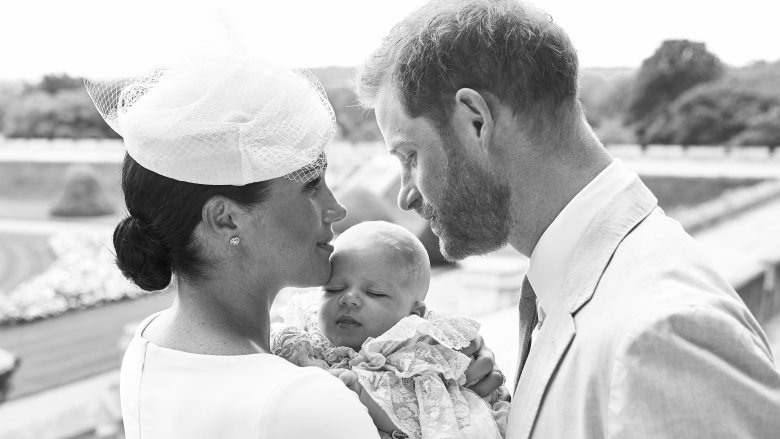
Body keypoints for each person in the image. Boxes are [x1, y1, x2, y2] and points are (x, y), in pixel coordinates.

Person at [356, 1, 780, 438]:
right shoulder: (586, 285)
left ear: (475, 121)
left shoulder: (661, 334)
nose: (405, 195)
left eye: (410, 156)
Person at [85, 56, 500, 439]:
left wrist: (430, 374)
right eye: (311, 186)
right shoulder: (304, 400)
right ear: (226, 218)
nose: (336, 209)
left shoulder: (151, 342)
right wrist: (452, 415)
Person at [272, 221, 509, 438]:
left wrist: (358, 392)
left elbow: (422, 413)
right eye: (333, 289)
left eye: (374, 293)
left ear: (413, 316)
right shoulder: (302, 338)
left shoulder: (415, 358)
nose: (348, 299)